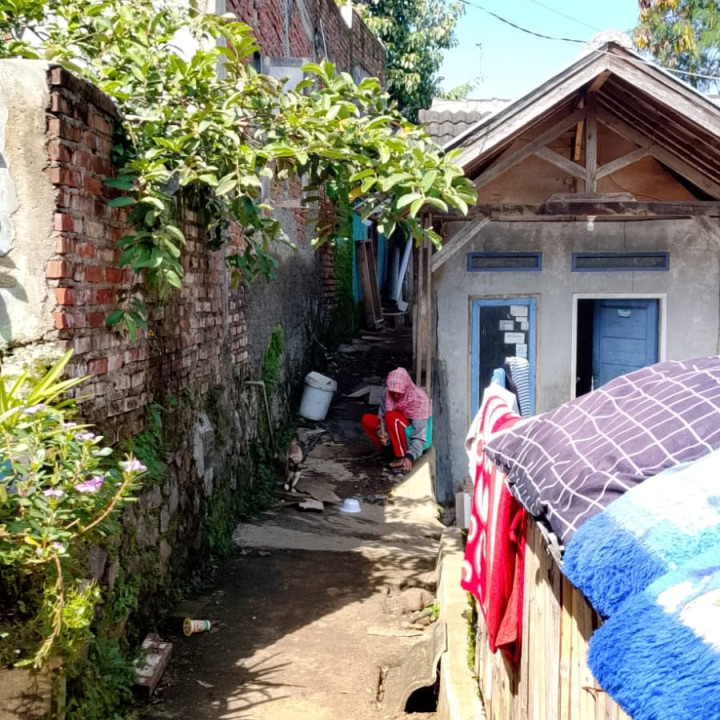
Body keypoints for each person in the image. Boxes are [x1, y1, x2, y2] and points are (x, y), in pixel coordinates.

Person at [361, 367, 432, 473]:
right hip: (395, 431)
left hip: (412, 436)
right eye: (392, 392)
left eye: (399, 393)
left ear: (406, 388)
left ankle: (401, 456)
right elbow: (382, 418)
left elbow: (420, 435)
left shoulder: (419, 400)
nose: (395, 395)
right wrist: (384, 436)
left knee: (391, 416)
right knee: (367, 420)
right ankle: (388, 451)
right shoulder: (387, 393)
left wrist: (411, 456)